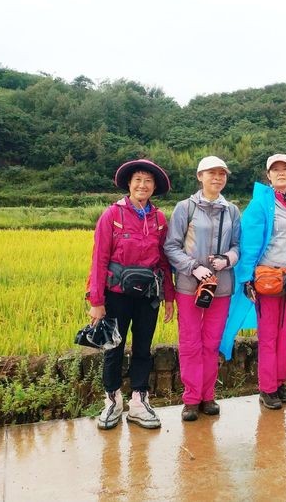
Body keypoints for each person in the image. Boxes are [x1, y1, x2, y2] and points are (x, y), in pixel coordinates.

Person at [87, 159, 175, 430]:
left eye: (148, 181)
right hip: (116, 295)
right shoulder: (112, 215)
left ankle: (139, 401)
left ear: (153, 187)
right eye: (137, 179)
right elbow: (99, 259)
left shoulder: (159, 218)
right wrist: (96, 301)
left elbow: (163, 260)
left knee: (142, 349)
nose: (142, 185)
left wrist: (169, 297)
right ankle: (112, 401)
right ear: (129, 183)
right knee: (113, 347)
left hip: (148, 295)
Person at [220, 154, 286, 410]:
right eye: (275, 170)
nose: (281, 173)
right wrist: (247, 278)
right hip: (267, 279)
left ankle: (280, 382)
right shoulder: (260, 204)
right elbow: (248, 244)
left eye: (285, 169)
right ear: (268, 175)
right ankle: (267, 388)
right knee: (269, 335)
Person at [164, 156, 241, 421]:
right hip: (189, 286)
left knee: (211, 343)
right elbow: (171, 246)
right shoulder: (185, 208)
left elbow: (238, 246)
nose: (217, 178)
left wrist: (226, 260)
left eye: (222, 174)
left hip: (220, 287)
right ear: (200, 176)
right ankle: (191, 398)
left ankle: (208, 396)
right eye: (212, 173)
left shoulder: (231, 210)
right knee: (190, 342)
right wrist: (192, 267)